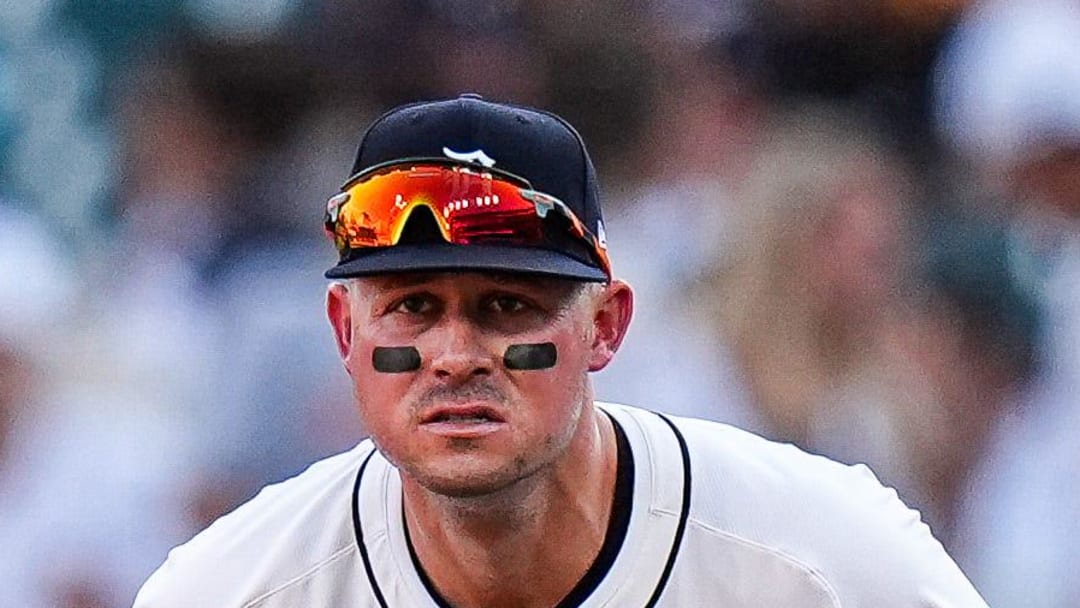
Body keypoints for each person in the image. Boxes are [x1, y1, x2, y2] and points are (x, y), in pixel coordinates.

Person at [134, 94, 987, 607]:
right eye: (414, 308)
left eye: (508, 307)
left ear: (606, 326)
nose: (456, 353)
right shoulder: (233, 589)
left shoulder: (822, 559)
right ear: (345, 332)